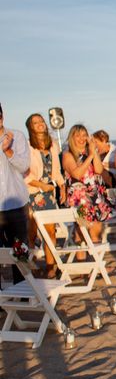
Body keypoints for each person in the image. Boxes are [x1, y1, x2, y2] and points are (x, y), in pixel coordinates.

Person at [62, 124, 116, 249]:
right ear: (72, 138)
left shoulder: (91, 152)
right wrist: (90, 157)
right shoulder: (68, 154)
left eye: (84, 135)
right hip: (79, 199)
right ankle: (82, 262)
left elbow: (99, 170)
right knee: (81, 232)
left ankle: (97, 265)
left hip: (94, 195)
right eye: (78, 135)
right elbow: (77, 174)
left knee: (96, 230)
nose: (82, 138)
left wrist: (93, 152)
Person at [24, 113, 66, 277]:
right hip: (32, 192)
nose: (40, 123)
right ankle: (29, 265)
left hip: (49, 194)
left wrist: (62, 186)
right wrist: (41, 185)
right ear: (30, 127)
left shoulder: (53, 144)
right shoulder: (27, 146)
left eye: (41, 120)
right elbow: (24, 174)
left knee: (50, 232)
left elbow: (56, 170)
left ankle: (50, 267)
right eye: (36, 122)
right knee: (31, 233)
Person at [0, 103, 30, 288]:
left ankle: (25, 291)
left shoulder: (16, 136)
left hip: (16, 203)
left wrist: (8, 151)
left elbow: (24, 166)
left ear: (2, 115)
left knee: (20, 251)